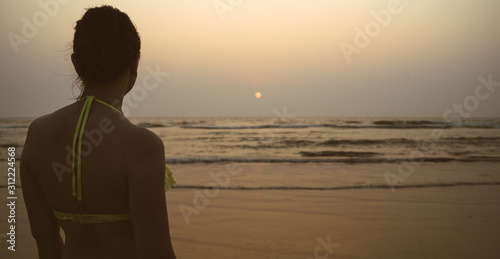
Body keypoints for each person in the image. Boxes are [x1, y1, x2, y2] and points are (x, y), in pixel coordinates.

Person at [20, 5, 176, 259]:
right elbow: (156, 252)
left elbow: (44, 237)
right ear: (135, 63)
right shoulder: (142, 146)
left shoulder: (37, 134)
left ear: (76, 64)